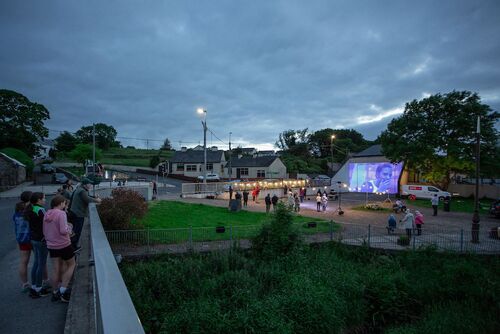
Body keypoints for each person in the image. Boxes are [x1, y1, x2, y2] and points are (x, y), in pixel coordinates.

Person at [43, 195, 75, 303]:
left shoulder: (47, 213)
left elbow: (45, 231)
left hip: (51, 245)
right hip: (63, 244)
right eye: (64, 203)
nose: (65, 205)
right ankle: (63, 290)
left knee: (56, 269)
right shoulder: (61, 213)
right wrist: (69, 229)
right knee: (72, 264)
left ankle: (55, 292)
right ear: (61, 203)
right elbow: (63, 230)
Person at [26, 192, 50, 298]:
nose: (45, 200)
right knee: (41, 264)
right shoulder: (40, 210)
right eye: (44, 198)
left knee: (36, 262)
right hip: (41, 239)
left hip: (33, 239)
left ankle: (34, 287)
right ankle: (39, 288)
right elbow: (47, 223)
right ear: (39, 200)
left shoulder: (31, 208)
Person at [68, 178, 102, 251]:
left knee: (74, 230)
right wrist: (97, 200)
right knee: (77, 231)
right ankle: (73, 247)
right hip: (78, 214)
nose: (90, 185)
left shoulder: (80, 189)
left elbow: (86, 197)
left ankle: (72, 246)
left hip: (75, 213)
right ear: (85, 184)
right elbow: (87, 199)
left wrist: (94, 197)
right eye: (89, 184)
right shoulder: (82, 191)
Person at [13, 191, 32, 293]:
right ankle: (44, 280)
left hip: (21, 239)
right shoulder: (29, 210)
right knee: (39, 260)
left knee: (23, 261)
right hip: (31, 237)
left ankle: (25, 284)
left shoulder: (17, 212)